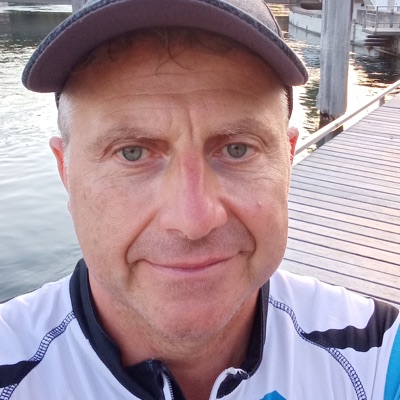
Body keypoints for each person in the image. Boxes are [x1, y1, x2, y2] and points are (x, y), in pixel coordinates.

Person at [1, 0, 399, 399]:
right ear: (66, 172)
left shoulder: (377, 353)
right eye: (132, 153)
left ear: (288, 160)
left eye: (238, 149)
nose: (193, 220)